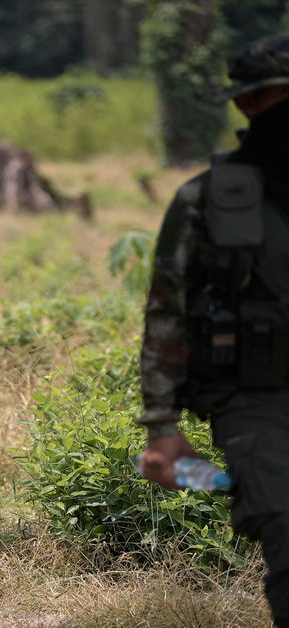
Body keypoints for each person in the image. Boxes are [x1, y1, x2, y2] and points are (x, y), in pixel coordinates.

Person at [137, 34, 289, 625]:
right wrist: (162, 426)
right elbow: (167, 314)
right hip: (254, 397)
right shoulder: (209, 199)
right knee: (282, 523)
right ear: (247, 106)